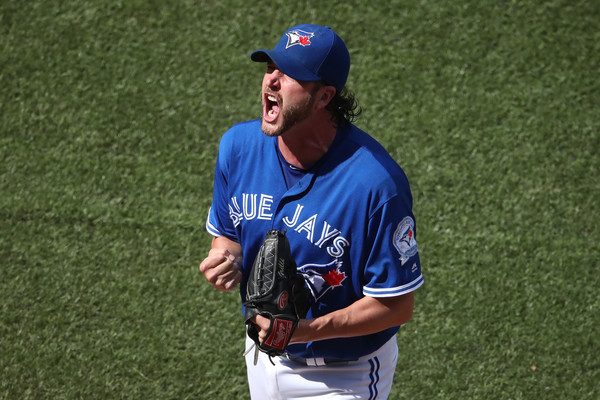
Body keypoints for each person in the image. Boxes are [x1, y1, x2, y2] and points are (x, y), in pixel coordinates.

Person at [199, 23, 424, 399]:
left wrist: (304, 330)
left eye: (289, 75)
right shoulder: (238, 149)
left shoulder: (375, 185)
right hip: (261, 358)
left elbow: (396, 305)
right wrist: (224, 259)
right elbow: (229, 237)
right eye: (270, 67)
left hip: (343, 375)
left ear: (324, 97)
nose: (271, 80)